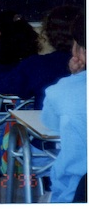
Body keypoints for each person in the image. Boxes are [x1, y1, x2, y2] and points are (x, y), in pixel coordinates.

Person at [0, 5, 81, 109]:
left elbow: (1, 85)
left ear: (49, 33)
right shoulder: (80, 65)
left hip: (45, 123)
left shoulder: (38, 65)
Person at [41, 13, 86, 203]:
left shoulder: (61, 91)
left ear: (80, 50)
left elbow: (50, 124)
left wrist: (76, 77)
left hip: (74, 195)